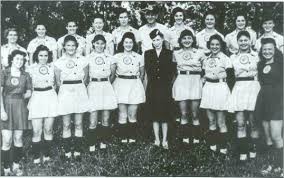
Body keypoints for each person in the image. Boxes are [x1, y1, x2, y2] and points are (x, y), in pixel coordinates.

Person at [54, 35, 89, 160]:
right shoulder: (58, 62)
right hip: (65, 92)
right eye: (68, 45)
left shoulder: (83, 60)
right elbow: (57, 82)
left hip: (79, 90)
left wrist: (77, 87)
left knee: (79, 123)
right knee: (66, 124)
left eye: (73, 45)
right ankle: (68, 150)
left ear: (77, 47)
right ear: (64, 47)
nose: (71, 48)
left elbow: (86, 79)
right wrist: (67, 89)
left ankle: (78, 151)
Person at [228, 31, 260, 161]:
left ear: (250, 41)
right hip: (239, 88)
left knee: (253, 123)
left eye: (246, 40)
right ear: (237, 42)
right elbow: (230, 77)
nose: (243, 43)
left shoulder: (256, 56)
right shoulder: (232, 58)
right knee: (240, 123)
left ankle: (253, 149)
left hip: (253, 87)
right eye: (240, 40)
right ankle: (243, 151)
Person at [1, 50, 32, 176]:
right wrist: (1, 110)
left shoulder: (26, 75)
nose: (19, 61)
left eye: (22, 59)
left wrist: (19, 97)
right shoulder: (4, 72)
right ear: (12, 59)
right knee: (7, 139)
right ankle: (6, 167)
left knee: (18, 138)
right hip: (6, 107)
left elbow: (29, 92)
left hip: (20, 108)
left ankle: (16, 165)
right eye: (17, 58)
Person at [255, 38, 283, 176]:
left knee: (276, 135)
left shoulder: (281, 64)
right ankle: (271, 164)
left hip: (278, 101)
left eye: (270, 49)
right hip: (263, 100)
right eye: (264, 49)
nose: (267, 51)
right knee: (267, 136)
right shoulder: (260, 64)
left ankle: (280, 166)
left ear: (275, 50)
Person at [200, 34, 232, 155]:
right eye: (212, 44)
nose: (214, 46)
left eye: (217, 44)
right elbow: (204, 74)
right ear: (209, 45)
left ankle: (223, 147)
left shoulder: (226, 58)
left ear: (221, 45)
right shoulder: (206, 59)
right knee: (211, 120)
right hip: (208, 88)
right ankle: (213, 146)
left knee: (221, 121)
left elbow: (231, 77)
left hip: (220, 88)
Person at [144, 29, 176, 149]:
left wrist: (168, 83)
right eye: (154, 40)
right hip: (153, 86)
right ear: (151, 41)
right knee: (154, 113)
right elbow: (148, 70)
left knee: (164, 113)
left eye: (158, 39)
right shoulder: (148, 53)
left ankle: (165, 140)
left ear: (162, 40)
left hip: (165, 86)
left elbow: (172, 71)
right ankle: (157, 139)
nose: (156, 42)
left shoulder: (169, 53)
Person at [27, 45, 58, 164]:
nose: (43, 58)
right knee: (36, 130)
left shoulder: (53, 66)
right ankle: (36, 156)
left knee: (48, 129)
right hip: (37, 97)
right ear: (36, 56)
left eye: (45, 55)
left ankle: (46, 155)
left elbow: (58, 81)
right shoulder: (31, 68)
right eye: (41, 55)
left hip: (50, 96)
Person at [172, 29, 204, 145]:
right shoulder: (176, 53)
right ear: (180, 40)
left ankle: (196, 137)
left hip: (195, 80)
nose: (187, 40)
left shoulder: (199, 52)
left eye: (189, 38)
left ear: (193, 40)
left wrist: (203, 79)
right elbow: (173, 70)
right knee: (183, 113)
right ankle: (185, 138)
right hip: (182, 80)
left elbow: (205, 69)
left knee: (195, 113)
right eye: (184, 38)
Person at [112, 32, 145, 143]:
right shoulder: (116, 57)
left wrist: (136, 84)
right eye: (126, 42)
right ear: (122, 43)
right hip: (120, 84)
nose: (128, 44)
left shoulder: (139, 57)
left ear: (134, 44)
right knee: (122, 113)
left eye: (130, 42)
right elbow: (112, 73)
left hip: (134, 85)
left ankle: (132, 138)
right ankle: (123, 138)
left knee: (132, 113)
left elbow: (142, 74)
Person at [86, 34, 117, 151]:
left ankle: (104, 142)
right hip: (93, 86)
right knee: (93, 116)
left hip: (106, 86)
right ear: (93, 44)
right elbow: (86, 73)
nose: (99, 45)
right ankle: (92, 144)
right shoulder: (88, 57)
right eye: (97, 43)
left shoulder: (110, 57)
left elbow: (113, 74)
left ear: (105, 45)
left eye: (102, 43)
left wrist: (106, 83)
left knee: (105, 117)